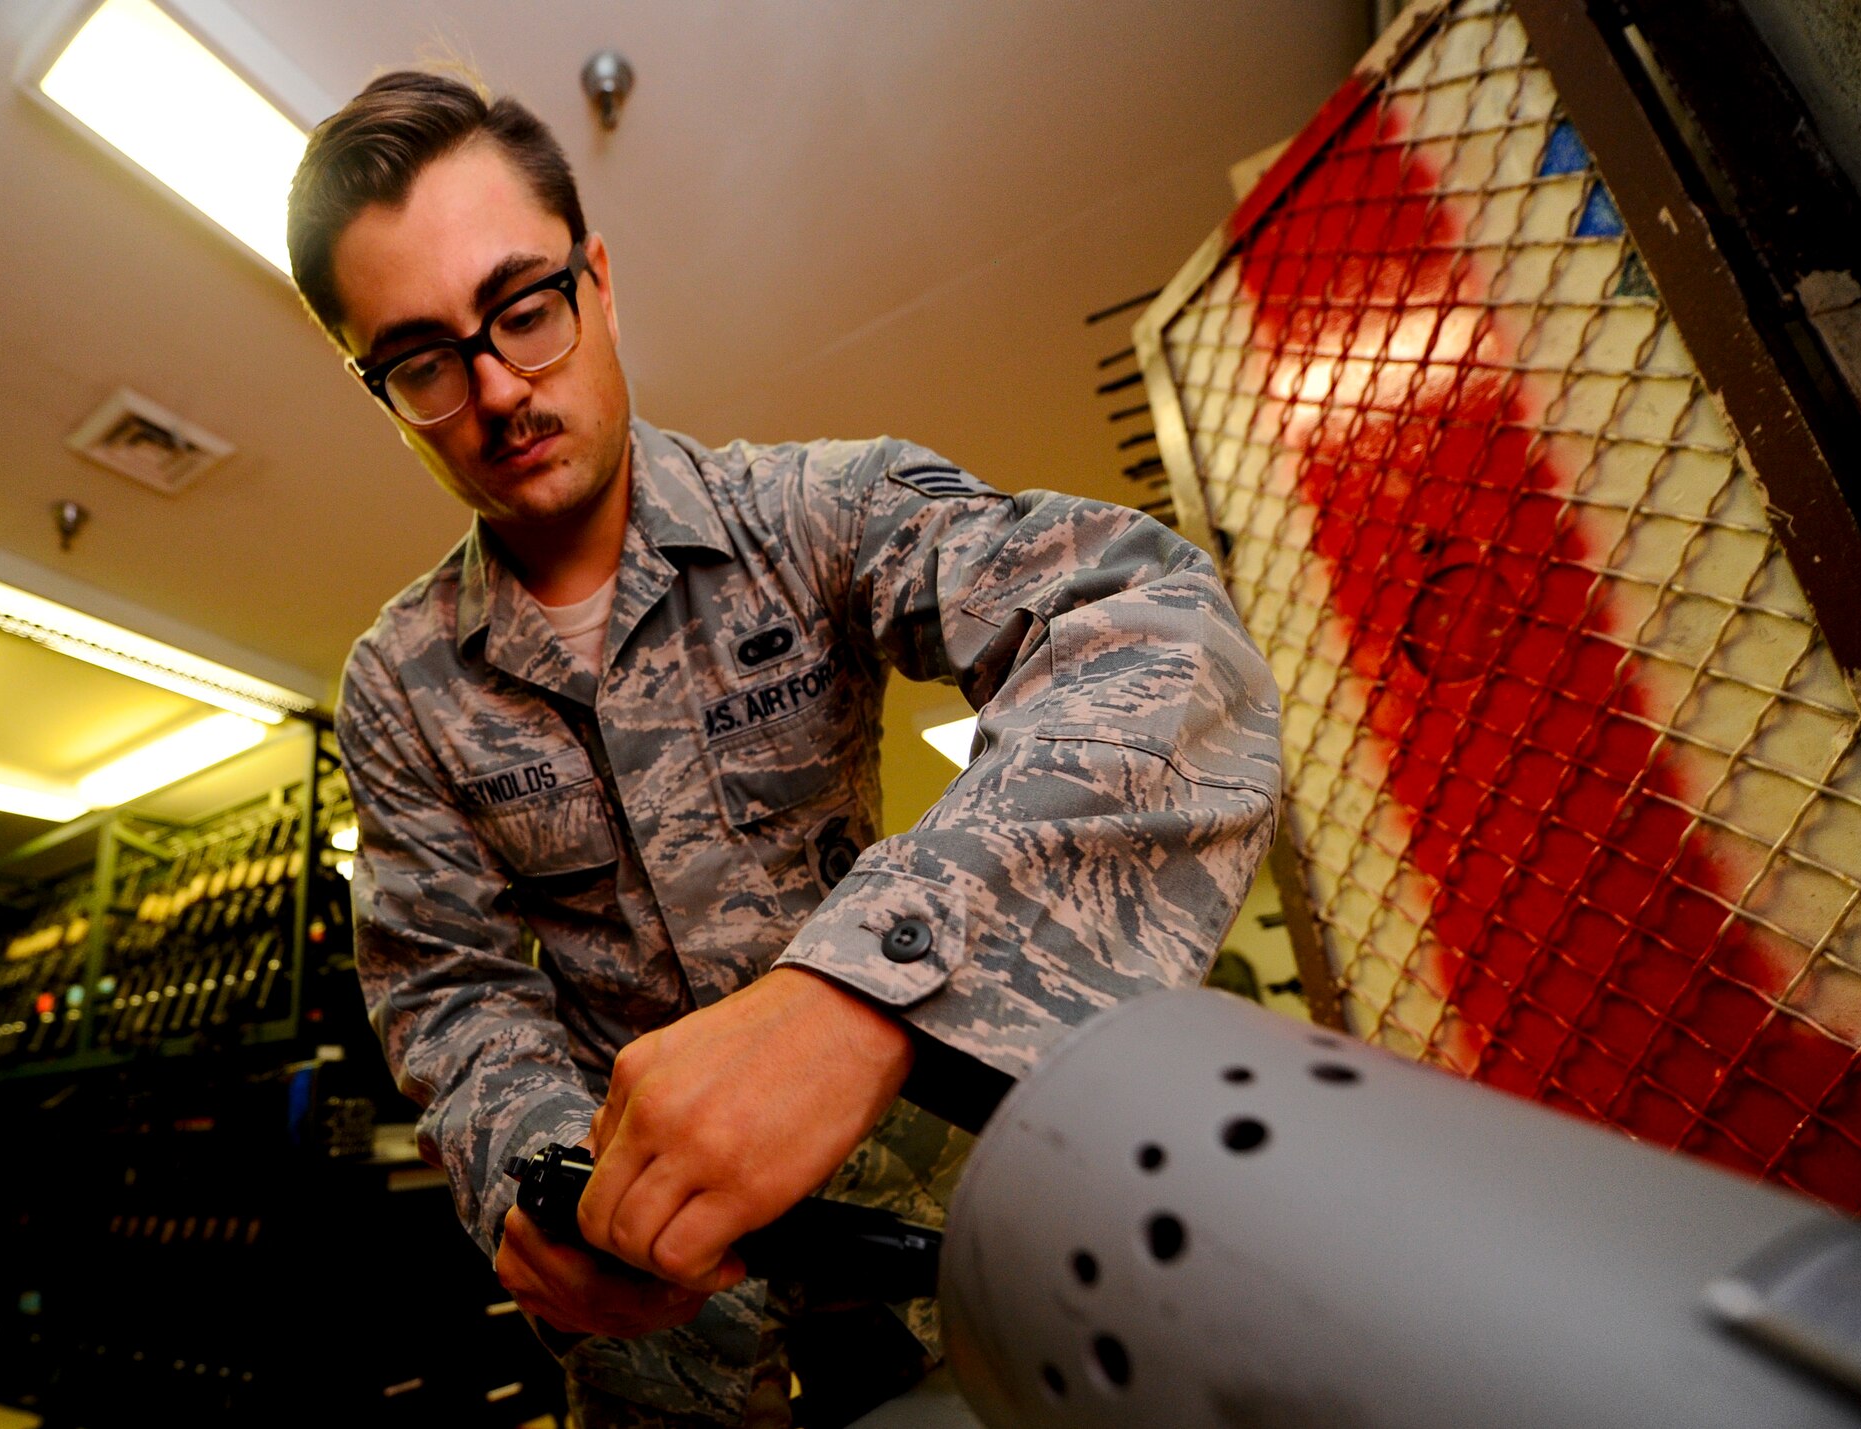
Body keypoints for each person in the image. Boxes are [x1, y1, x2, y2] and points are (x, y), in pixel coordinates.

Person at [287, 68, 1281, 1428]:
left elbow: (1157, 630)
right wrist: (535, 1174)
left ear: (599, 283)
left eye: (525, 309)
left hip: (926, 1233)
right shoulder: (398, 683)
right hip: (653, 1307)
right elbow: (446, 990)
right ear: (381, 387)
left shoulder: (819, 511)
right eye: (423, 361)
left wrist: (858, 995)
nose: (501, 387)